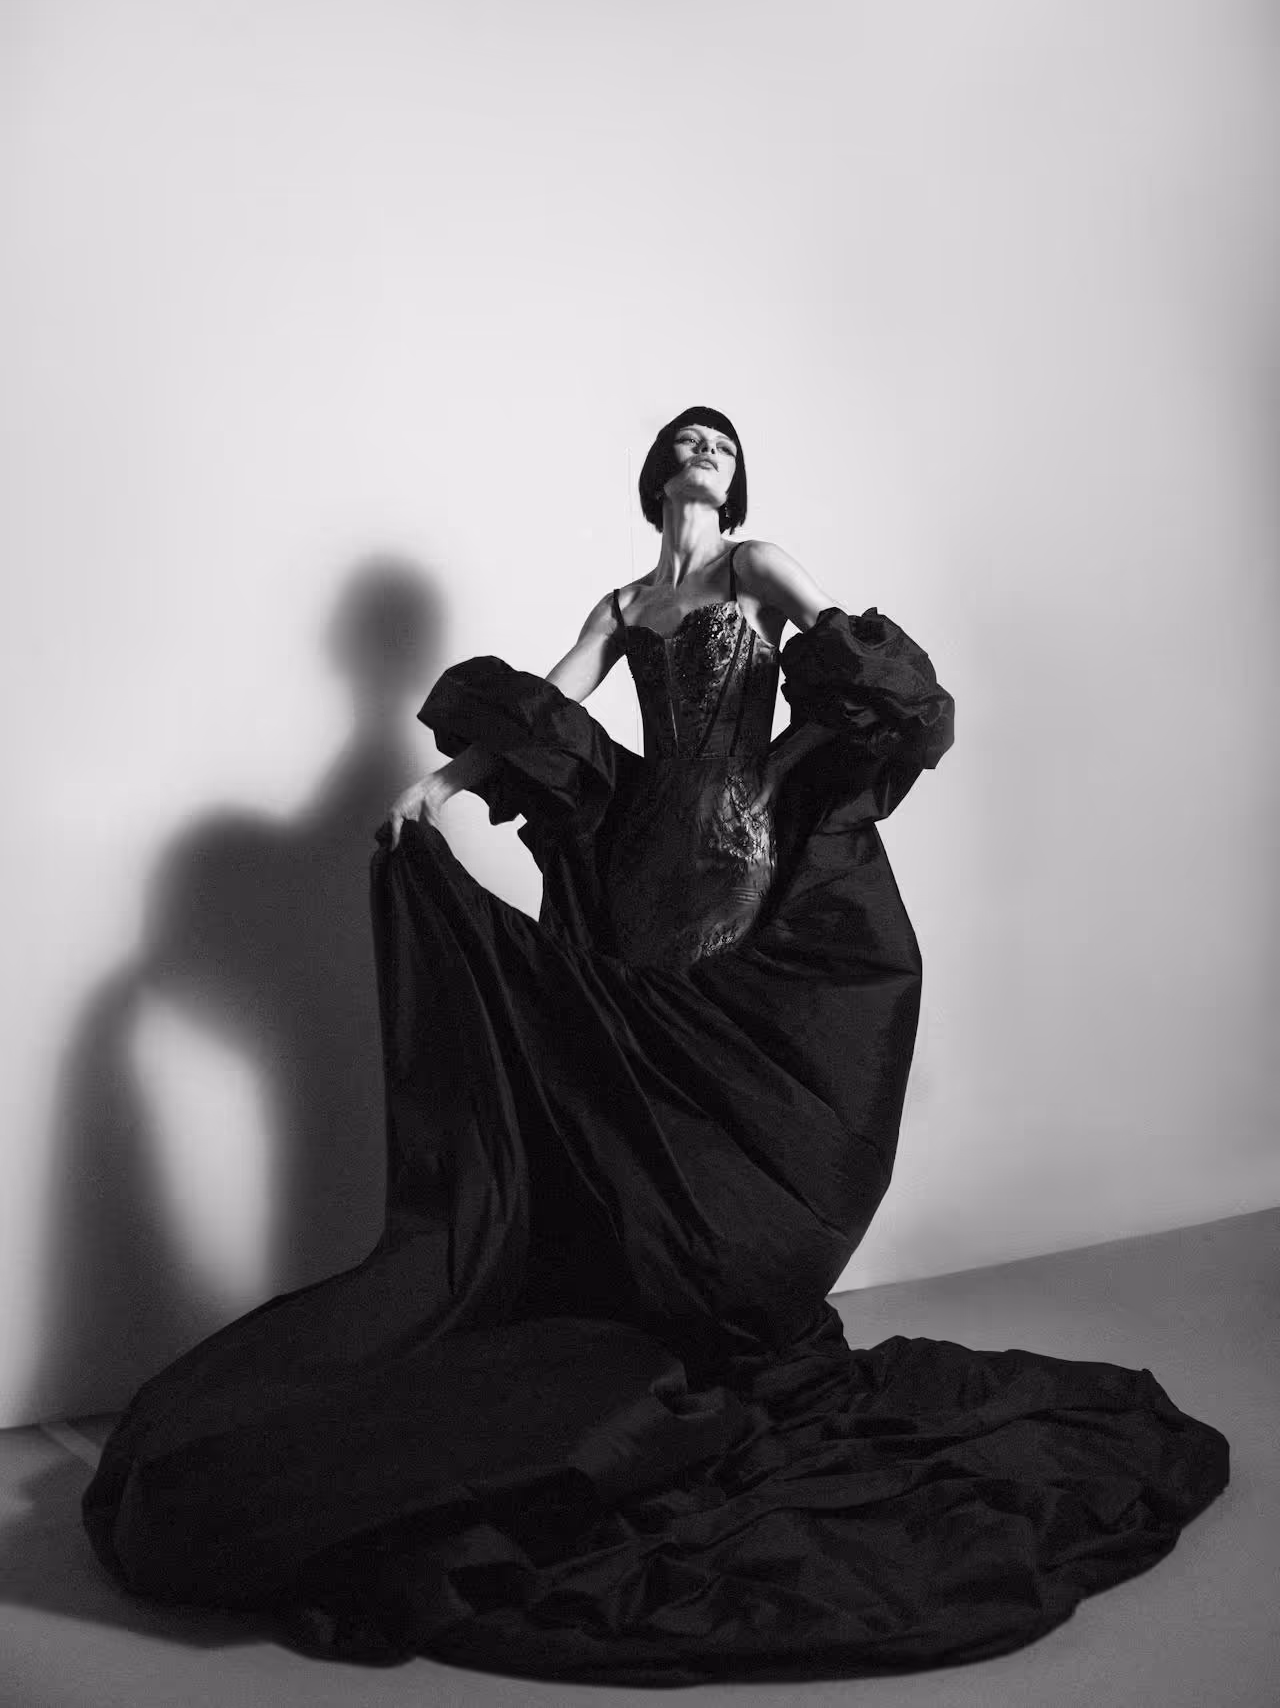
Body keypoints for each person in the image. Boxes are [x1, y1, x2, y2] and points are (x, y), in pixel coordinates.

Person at [82, 407, 1228, 1684]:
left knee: (720, 1062)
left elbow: (861, 669)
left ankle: (721, 1309)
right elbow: (550, 705)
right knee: (645, 1076)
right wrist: (440, 790)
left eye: (721, 445)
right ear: (653, 473)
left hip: (734, 857)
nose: (702, 453)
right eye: (686, 441)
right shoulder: (626, 600)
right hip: (636, 863)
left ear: (737, 478)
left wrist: (785, 765)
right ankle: (662, 1302)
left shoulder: (755, 566)